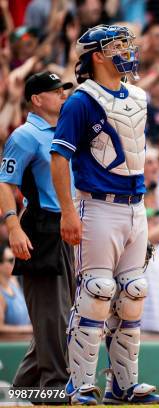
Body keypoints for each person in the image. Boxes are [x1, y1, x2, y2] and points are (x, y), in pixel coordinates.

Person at [49, 25, 159, 404]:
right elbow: (59, 157)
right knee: (97, 292)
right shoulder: (81, 101)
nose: (127, 51)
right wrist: (68, 211)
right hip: (96, 204)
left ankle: (124, 385)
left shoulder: (139, 96)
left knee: (134, 292)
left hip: (135, 206)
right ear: (97, 55)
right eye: (117, 46)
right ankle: (79, 384)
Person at [0, 71, 75, 390]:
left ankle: (20, 394)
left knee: (62, 321)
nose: (63, 95)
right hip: (40, 228)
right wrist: (13, 226)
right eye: (56, 91)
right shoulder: (25, 135)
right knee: (53, 321)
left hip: (66, 230)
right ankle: (56, 390)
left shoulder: (63, 131)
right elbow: (5, 182)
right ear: (37, 99)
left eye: (64, 90)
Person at [0, 243, 31, 334]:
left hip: (25, 342)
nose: (14, 263)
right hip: (11, 346)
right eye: (10, 260)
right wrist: (27, 329)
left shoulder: (14, 283)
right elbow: (0, 328)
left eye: (15, 259)